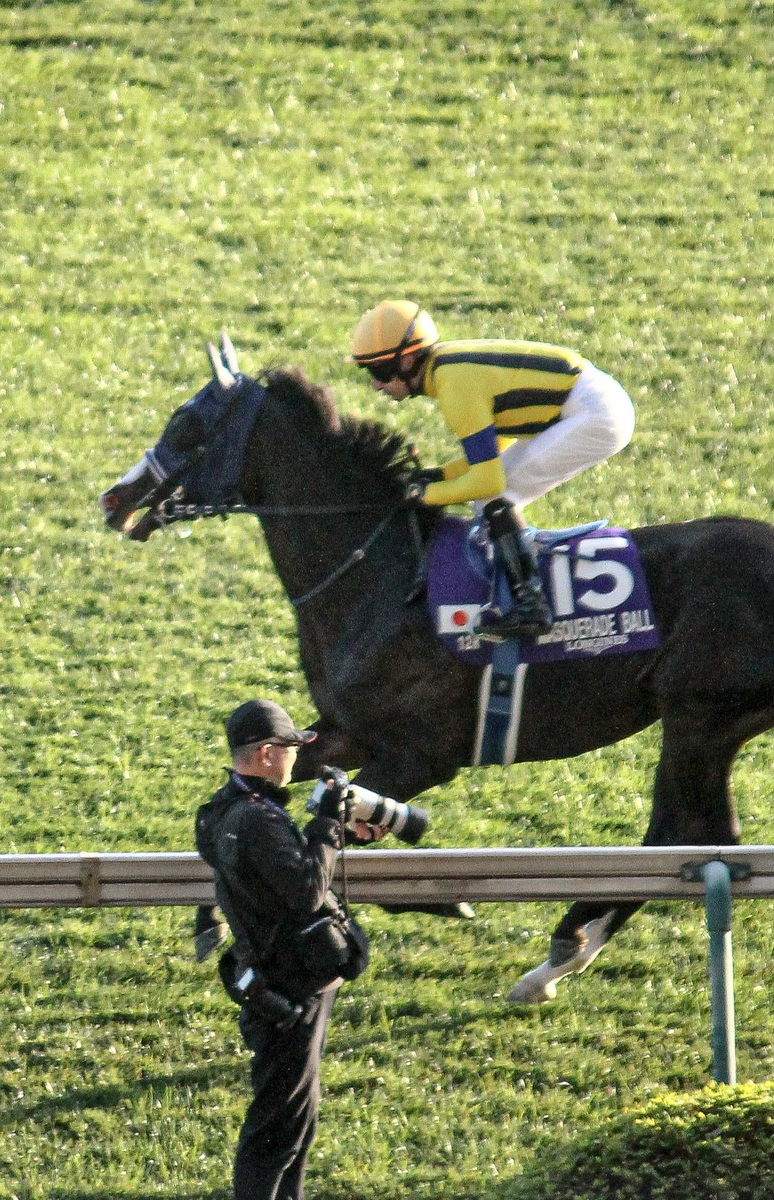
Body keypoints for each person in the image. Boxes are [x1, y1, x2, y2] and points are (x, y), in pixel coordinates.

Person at [349, 300, 636, 636]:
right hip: (590, 402)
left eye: (379, 372)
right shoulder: (447, 370)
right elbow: (490, 452)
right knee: (489, 497)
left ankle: (531, 607)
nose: (375, 385)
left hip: (595, 414)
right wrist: (440, 476)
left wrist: (427, 495)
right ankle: (522, 593)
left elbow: (487, 479)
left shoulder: (452, 383)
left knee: (494, 497)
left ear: (408, 360)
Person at [195, 699, 387, 1200]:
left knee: (295, 1126)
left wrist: (336, 832)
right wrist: (325, 823)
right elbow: (304, 893)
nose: (295, 759)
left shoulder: (220, 811)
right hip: (291, 987)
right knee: (277, 1132)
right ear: (264, 753)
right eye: (288, 749)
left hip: (272, 980)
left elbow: (273, 878)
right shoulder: (259, 819)